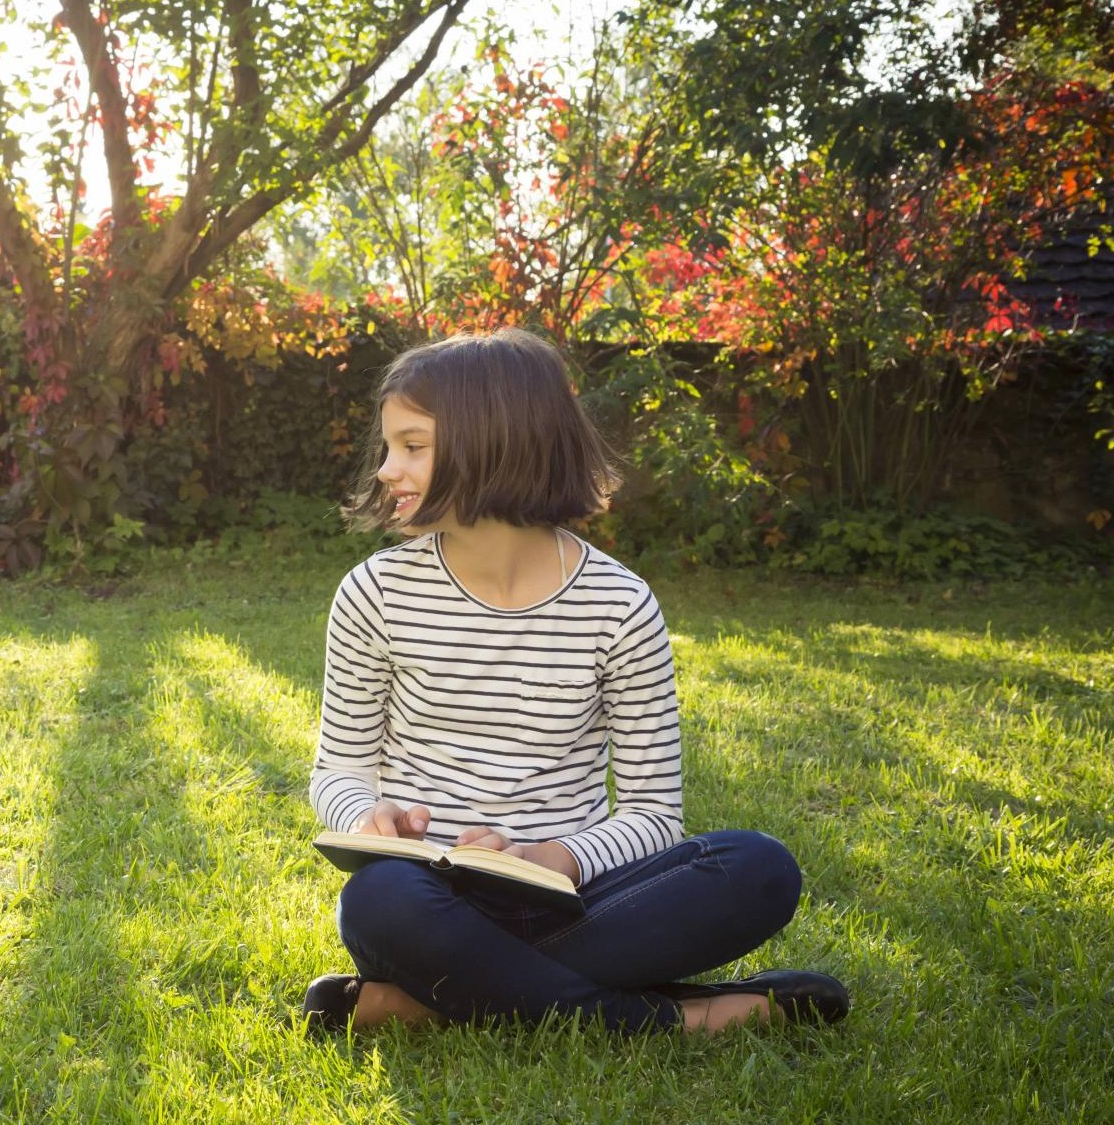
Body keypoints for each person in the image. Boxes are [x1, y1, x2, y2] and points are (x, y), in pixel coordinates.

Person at [302, 329, 848, 1035]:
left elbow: (654, 812)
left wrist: (551, 856)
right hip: (426, 896)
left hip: (578, 895)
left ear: (493, 441)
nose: (386, 469)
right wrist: (368, 819)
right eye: (388, 447)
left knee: (760, 867)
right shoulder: (374, 593)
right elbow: (338, 769)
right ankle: (678, 1017)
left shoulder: (618, 604)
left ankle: (430, 999)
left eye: (411, 445)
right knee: (377, 899)